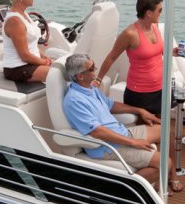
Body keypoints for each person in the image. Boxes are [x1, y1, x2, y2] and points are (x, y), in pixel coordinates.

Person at [61, 53, 168, 190]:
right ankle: (123, 193)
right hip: (106, 146)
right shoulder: (74, 101)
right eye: (92, 68)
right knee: (164, 163)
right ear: (80, 76)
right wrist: (133, 142)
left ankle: (162, 179)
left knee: (163, 130)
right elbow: (97, 132)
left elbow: (111, 105)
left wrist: (139, 110)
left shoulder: (91, 89)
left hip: (121, 134)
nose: (96, 68)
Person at [97, 0, 166, 116]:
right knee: (145, 132)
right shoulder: (130, 34)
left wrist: (173, 52)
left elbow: (158, 52)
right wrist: (98, 80)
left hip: (160, 89)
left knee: (160, 131)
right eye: (159, 10)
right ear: (149, 13)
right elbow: (111, 57)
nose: (161, 13)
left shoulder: (155, 27)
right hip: (140, 94)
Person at [1, 0, 52, 83]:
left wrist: (44, 57)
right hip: (17, 68)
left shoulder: (24, 15)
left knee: (62, 68)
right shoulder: (15, 21)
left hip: (29, 64)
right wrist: (44, 62)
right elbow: (24, 55)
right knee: (57, 74)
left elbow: (31, 46)